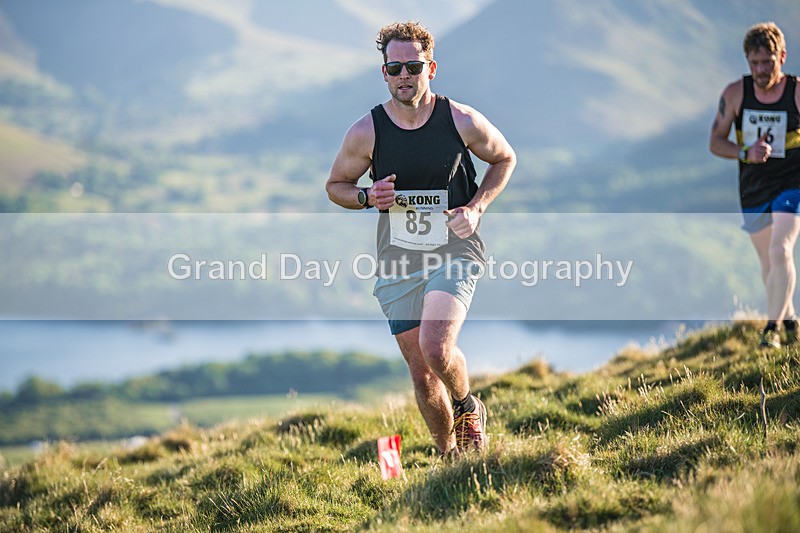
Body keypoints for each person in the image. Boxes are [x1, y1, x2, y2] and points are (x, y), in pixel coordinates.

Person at [326, 21, 516, 456]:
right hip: (398, 261)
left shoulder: (461, 119)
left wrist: (476, 207)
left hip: (455, 248)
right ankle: (449, 455)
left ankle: (469, 406)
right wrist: (365, 195)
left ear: (431, 67)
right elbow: (335, 186)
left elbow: (504, 158)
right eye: (395, 67)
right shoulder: (366, 132)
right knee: (421, 371)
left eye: (414, 66)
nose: (404, 75)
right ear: (384, 72)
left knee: (436, 346)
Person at [710, 22, 800, 349]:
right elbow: (715, 142)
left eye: (768, 62)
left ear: (783, 57)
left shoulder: (796, 92)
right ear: (747, 61)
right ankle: (790, 319)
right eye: (755, 63)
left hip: (792, 183)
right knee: (768, 263)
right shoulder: (735, 94)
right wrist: (745, 152)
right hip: (753, 186)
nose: (761, 70)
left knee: (781, 249)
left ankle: (772, 329)